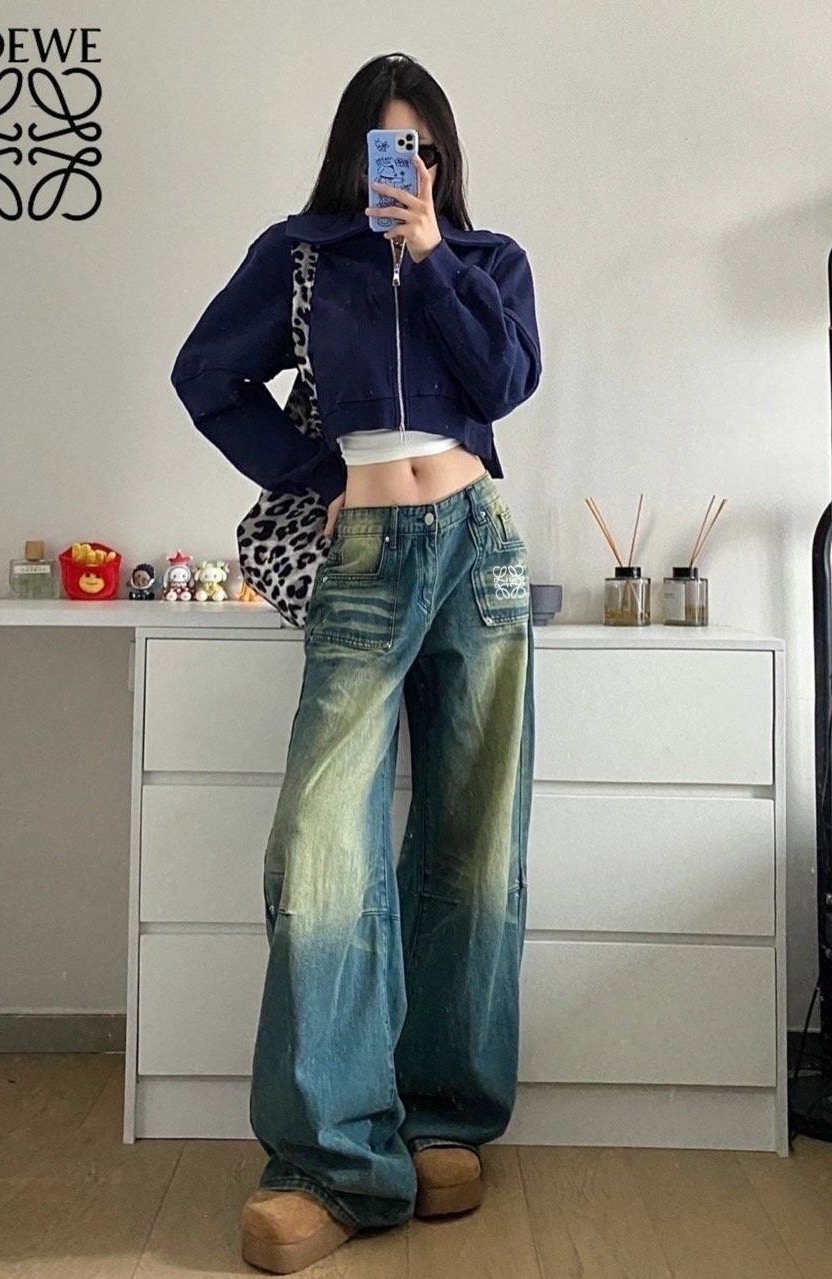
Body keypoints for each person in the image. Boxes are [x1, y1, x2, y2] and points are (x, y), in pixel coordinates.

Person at [170, 50, 541, 1276]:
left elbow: (503, 382)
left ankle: (443, 1117)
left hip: (480, 551)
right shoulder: (299, 256)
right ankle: (334, 1156)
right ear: (352, 152)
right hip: (369, 554)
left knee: (473, 846)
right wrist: (320, 473)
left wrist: (429, 251)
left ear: (442, 157)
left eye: (421, 148)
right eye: (388, 146)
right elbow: (206, 374)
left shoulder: (488, 261)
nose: (406, 166)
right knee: (322, 848)